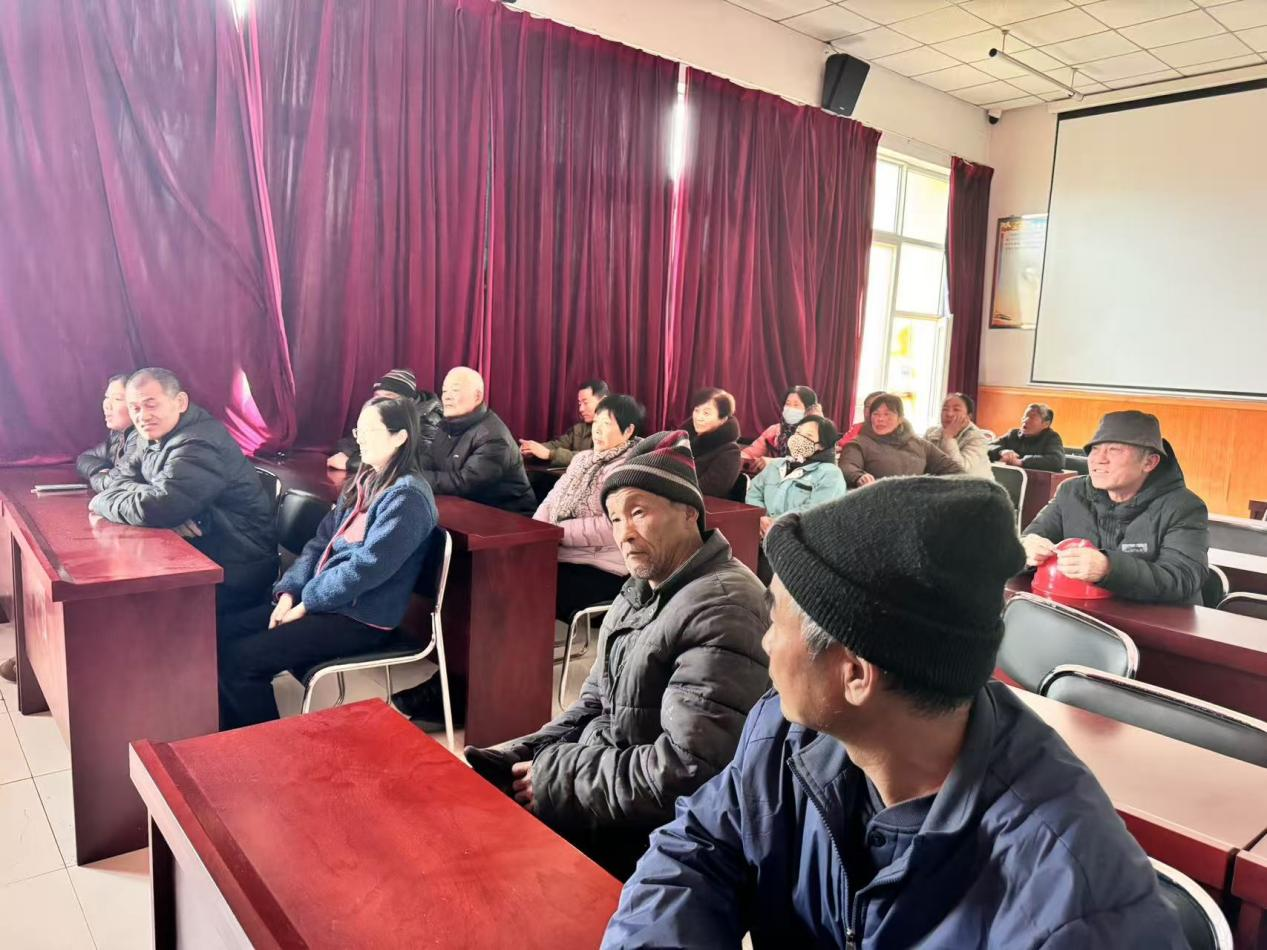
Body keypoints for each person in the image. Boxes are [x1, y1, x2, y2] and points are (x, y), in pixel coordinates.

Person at [606, 478, 1183, 949]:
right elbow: (695, 849)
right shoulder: (786, 733)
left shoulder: (1073, 906)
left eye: (776, 621)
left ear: (856, 675)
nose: (764, 643)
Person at [463, 432, 770, 879]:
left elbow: (686, 772)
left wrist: (559, 777)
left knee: (492, 871)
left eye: (639, 512)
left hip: (664, 836)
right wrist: (526, 752)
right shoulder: (643, 587)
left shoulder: (723, 607)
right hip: (611, 789)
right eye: (615, 518)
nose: (623, 533)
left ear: (689, 512)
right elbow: (596, 702)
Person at [218, 397, 438, 729]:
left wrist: (306, 603)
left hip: (360, 619)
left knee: (241, 662)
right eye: (358, 430)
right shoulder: (365, 481)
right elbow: (318, 544)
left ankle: (265, 748)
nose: (360, 439)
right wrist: (289, 594)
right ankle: (230, 733)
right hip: (324, 603)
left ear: (400, 437)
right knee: (222, 633)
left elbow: (365, 569)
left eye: (370, 431)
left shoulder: (408, 498)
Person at [89, 368, 278, 619]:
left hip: (234, 568)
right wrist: (161, 506)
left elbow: (155, 507)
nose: (143, 416)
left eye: (151, 405)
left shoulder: (198, 443)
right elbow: (120, 482)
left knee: (129, 610)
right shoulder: (151, 435)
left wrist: (101, 501)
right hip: (199, 551)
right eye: (134, 408)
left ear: (180, 402)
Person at [1023, 410, 1209, 605]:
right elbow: (1025, 542)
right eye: (1095, 449)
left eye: (1114, 450)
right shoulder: (1071, 492)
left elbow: (1182, 577)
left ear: (1149, 462)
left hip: (1152, 620)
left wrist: (1108, 569)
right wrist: (1026, 551)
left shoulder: (1184, 507)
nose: (1099, 459)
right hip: (1078, 611)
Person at [534, 394, 644, 622]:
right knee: (517, 574)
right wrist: (538, 531)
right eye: (596, 423)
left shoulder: (630, 470)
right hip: (564, 555)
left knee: (532, 589)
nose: (598, 430)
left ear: (628, 430)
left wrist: (558, 532)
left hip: (602, 568)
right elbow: (552, 498)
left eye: (607, 424)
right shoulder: (582, 459)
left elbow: (612, 525)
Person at [418, 366, 536, 515]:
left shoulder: (493, 437)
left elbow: (465, 483)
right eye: (445, 391)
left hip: (509, 517)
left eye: (455, 390)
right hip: (466, 509)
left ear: (477, 397)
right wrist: (404, 470)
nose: (446, 397)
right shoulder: (446, 425)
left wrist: (416, 478)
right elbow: (429, 460)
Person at [747, 414, 845, 583]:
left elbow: (816, 510)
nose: (798, 439)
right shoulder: (777, 465)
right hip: (760, 538)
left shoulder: (830, 474)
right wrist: (760, 517)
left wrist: (776, 523)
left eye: (807, 436)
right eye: (798, 432)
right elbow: (754, 491)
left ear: (821, 445)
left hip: (797, 548)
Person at [327, 369, 441, 470]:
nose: (381, 401)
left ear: (407, 401)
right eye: (377, 396)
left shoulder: (429, 420)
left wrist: (351, 463)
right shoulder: (376, 413)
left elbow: (419, 462)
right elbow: (347, 444)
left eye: (388, 396)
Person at [839, 393, 962, 487]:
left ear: (900, 419)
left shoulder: (920, 445)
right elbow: (847, 465)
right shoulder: (860, 443)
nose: (880, 419)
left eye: (887, 414)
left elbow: (952, 469)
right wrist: (859, 477)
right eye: (876, 414)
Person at [520, 379, 609, 467]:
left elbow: (594, 457)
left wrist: (550, 454)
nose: (581, 409)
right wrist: (532, 448)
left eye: (585, 403)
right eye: (579, 404)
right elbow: (557, 445)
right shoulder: (579, 429)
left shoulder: (612, 430)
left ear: (603, 401)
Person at [75, 373, 140, 491]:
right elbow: (85, 458)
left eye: (117, 399)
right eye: (107, 397)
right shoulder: (118, 435)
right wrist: (101, 470)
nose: (107, 405)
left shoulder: (141, 438)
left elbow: (116, 482)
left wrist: (102, 478)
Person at [741, 385, 817, 474]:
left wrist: (775, 463)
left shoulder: (816, 434)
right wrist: (738, 458)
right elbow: (751, 452)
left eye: (796, 405)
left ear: (809, 410)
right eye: (787, 404)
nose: (790, 409)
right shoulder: (774, 431)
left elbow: (809, 465)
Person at [684, 387, 742, 497]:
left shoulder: (730, 453)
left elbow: (708, 491)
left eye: (706, 413)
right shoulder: (682, 439)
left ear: (723, 419)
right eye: (696, 410)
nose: (699, 418)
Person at [925, 392, 994, 479]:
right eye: (945, 409)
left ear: (969, 417)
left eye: (956, 409)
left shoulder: (977, 438)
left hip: (973, 485)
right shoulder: (931, 433)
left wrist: (949, 437)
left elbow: (959, 472)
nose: (949, 414)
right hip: (938, 484)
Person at [988, 402, 1065, 472]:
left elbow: (1057, 461)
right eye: (1025, 416)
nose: (1026, 420)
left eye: (1032, 417)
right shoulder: (1013, 434)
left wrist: (1022, 462)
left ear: (1046, 424)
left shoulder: (1052, 438)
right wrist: (1001, 452)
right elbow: (987, 447)